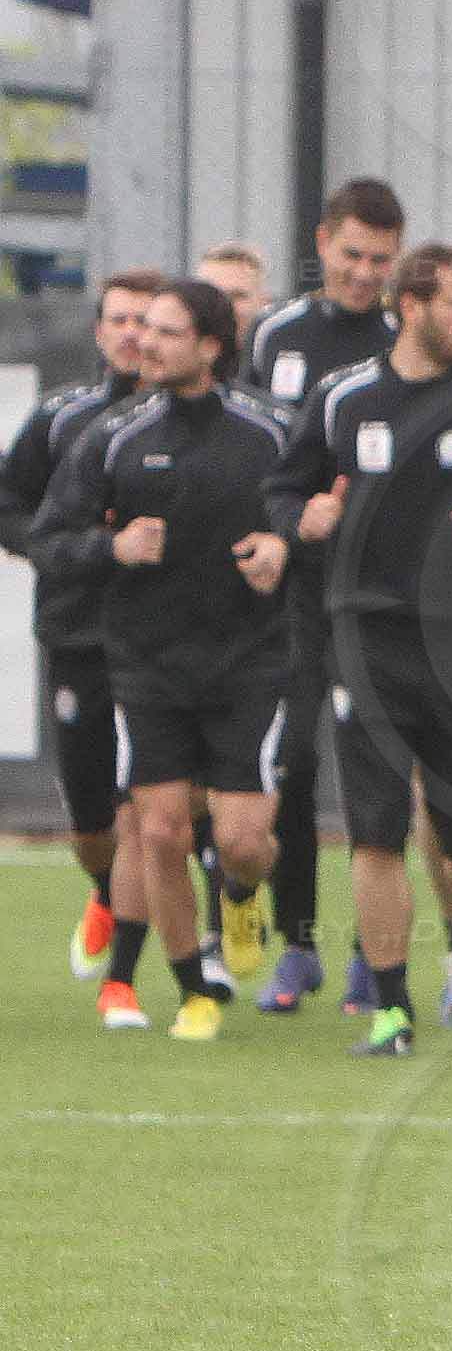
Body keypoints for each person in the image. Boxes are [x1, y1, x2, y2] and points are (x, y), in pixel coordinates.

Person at [268, 241, 452, 1060]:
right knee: (375, 832)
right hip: (365, 636)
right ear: (411, 307)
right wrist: (300, 521)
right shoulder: (343, 399)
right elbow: (285, 486)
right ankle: (392, 1011)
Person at [36, 276, 287, 1034]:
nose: (146, 342)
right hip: (147, 663)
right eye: (142, 328)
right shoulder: (110, 435)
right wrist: (110, 546)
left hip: (249, 660)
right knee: (162, 831)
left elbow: (317, 507)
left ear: (211, 347)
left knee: (243, 842)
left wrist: (283, 542)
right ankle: (194, 993)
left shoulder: (272, 429)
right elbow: (50, 538)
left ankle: (241, 897)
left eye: (167, 331)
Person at [243, 176, 404, 1012]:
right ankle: (296, 943)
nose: (363, 273)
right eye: (351, 256)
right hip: (298, 592)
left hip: (383, 595)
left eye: (380, 260)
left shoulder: (405, 339)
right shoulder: (276, 334)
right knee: (293, 764)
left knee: (375, 774)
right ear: (322, 242)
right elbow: (252, 445)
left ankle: (370, 958)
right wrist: (278, 527)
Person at [7, 274, 150, 991]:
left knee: (158, 806)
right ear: (99, 332)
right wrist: (67, 548)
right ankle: (103, 888)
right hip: (77, 629)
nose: (131, 334)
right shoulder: (60, 419)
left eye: (144, 321)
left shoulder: (192, 422)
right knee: (94, 817)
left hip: (167, 638)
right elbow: (9, 507)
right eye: (118, 320)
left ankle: (137, 972)